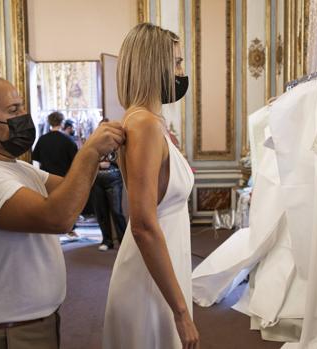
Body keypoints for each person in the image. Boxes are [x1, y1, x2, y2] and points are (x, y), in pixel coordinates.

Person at [0, 74, 124, 349]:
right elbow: (59, 217)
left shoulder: (15, 166)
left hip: (30, 323)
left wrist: (104, 156)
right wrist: (88, 152)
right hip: (5, 333)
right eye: (13, 111)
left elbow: (69, 190)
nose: (24, 117)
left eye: (23, 107)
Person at [103, 23, 199, 349]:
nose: (182, 71)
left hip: (164, 261)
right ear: (154, 66)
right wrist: (181, 311)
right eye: (177, 63)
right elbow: (143, 224)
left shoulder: (151, 120)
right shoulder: (143, 122)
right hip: (149, 275)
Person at [92, 118, 127, 251]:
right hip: (97, 181)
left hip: (114, 179)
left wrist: (112, 163)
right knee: (101, 212)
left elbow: (123, 160)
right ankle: (107, 241)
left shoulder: (118, 142)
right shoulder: (92, 143)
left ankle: (123, 241)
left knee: (116, 211)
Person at [32, 111, 78, 177]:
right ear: (62, 123)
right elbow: (75, 160)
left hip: (46, 178)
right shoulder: (68, 140)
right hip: (63, 178)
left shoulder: (42, 139)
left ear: (49, 122)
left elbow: (36, 157)